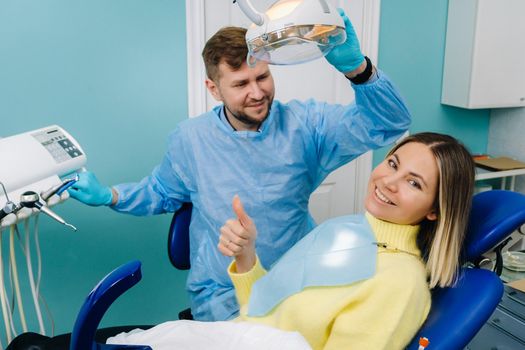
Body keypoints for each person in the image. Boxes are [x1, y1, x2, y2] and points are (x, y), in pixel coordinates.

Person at [67, 9, 411, 321]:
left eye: (262, 77)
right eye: (241, 84)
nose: (257, 92)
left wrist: (358, 70)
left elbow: (389, 124)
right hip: (222, 294)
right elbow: (160, 192)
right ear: (214, 89)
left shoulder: (307, 126)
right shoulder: (190, 139)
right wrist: (110, 195)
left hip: (296, 283)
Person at [105, 132, 476, 350]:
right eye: (393, 164)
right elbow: (263, 312)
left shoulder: (399, 283)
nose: (389, 182)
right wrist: (247, 254)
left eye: (415, 183)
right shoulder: (346, 231)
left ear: (435, 210)